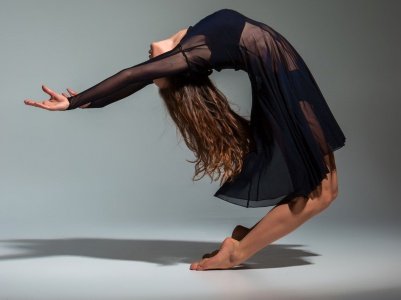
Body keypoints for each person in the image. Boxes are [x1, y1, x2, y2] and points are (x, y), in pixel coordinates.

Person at [24, 8, 346, 271]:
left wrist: (83, 100)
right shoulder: (192, 53)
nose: (152, 71)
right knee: (324, 192)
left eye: (155, 75)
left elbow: (134, 77)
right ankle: (236, 252)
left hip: (284, 73)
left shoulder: (190, 45)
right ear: (176, 72)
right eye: (158, 76)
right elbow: (132, 76)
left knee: (324, 189)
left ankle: (244, 241)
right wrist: (77, 103)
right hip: (283, 77)